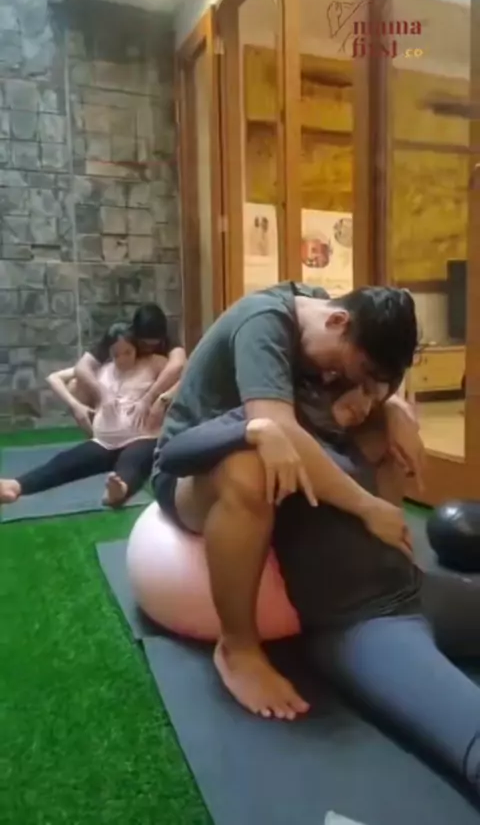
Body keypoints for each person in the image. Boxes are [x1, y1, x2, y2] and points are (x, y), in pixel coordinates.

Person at [152, 281, 424, 720]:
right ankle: (237, 649)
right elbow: (278, 428)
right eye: (351, 369)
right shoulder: (264, 322)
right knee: (250, 469)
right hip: (192, 470)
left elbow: (326, 412)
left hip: (275, 444)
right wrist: (367, 506)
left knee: (381, 429)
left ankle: (385, 575)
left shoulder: (324, 309)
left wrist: (393, 411)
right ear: (337, 322)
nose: (336, 379)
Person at [0, 323, 166, 508]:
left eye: (128, 352)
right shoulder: (102, 368)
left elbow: (179, 372)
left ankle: (119, 490)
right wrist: (76, 405)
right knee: (67, 461)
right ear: (109, 352)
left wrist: (157, 399)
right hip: (104, 442)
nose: (123, 359)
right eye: (117, 354)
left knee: (133, 461)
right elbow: (54, 378)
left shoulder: (152, 363)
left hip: (139, 437)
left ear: (136, 348)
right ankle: (15, 486)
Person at [72, 304, 186, 432]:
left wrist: (151, 398)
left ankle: (156, 434)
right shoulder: (121, 335)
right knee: (75, 386)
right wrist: (102, 394)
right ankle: (97, 434)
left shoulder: (165, 334)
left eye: (154, 345)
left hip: (153, 387)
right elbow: (81, 368)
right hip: (123, 387)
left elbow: (178, 365)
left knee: (177, 381)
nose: (149, 349)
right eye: (144, 344)